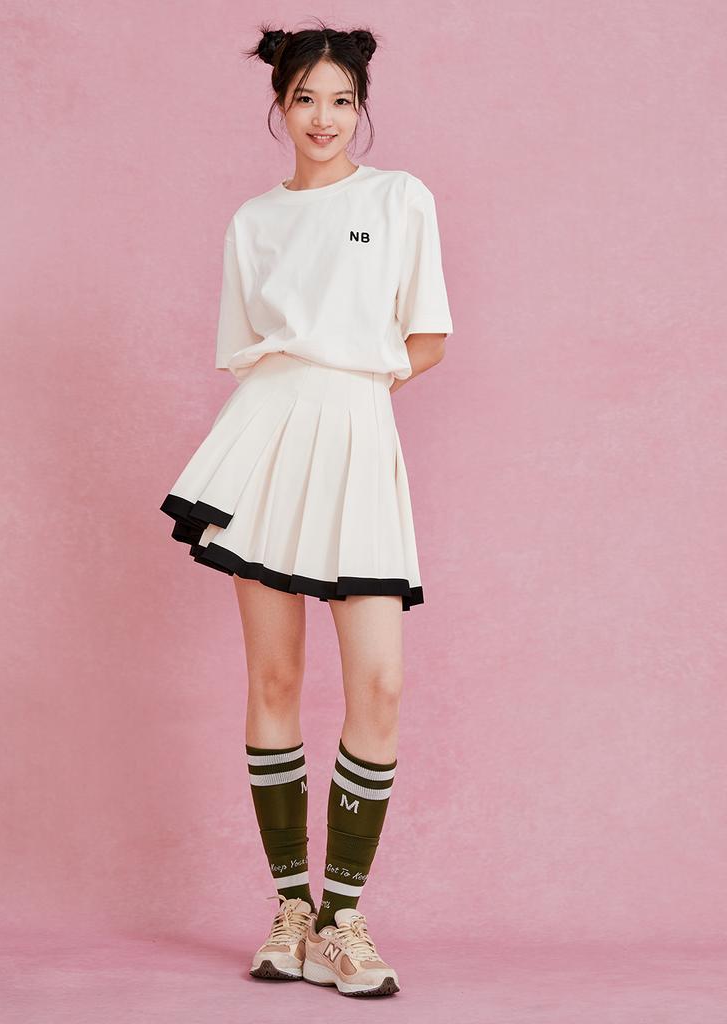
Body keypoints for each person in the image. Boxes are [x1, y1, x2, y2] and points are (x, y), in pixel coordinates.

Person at [159, 21, 453, 998]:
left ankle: (342, 918)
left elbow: (425, 338)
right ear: (279, 106)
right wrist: (306, 404)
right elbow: (251, 354)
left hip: (357, 442)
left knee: (380, 686)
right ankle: (291, 908)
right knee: (276, 675)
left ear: (361, 106)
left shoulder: (399, 198)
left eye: (340, 100)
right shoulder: (253, 221)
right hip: (267, 443)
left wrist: (348, 400)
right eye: (304, 99)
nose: (323, 118)